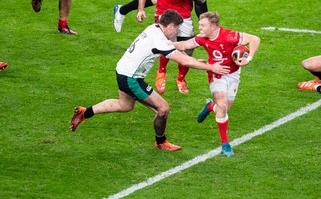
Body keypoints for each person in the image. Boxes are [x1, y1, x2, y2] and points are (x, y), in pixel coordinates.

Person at [70, 10, 230, 151]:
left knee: (125, 105)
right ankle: (161, 142)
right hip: (131, 78)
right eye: (176, 29)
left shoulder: (153, 29)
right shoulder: (159, 40)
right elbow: (184, 61)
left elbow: (180, 55)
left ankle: (85, 112)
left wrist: (201, 62)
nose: (175, 33)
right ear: (171, 26)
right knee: (163, 109)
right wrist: (211, 67)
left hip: (122, 71)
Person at [117, 0, 206, 95]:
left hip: (184, 15)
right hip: (165, 15)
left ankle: (180, 78)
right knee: (166, 45)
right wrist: (140, 9)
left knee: (189, 49)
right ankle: (161, 72)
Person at [173, 12, 261, 156]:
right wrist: (166, 45)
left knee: (223, 110)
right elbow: (184, 44)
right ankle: (225, 143)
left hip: (233, 74)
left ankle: (209, 106)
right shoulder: (201, 38)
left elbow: (255, 39)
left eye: (203, 25)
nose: (199, 27)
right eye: (199, 24)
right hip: (216, 73)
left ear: (213, 27)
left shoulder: (230, 36)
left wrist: (248, 58)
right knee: (222, 105)